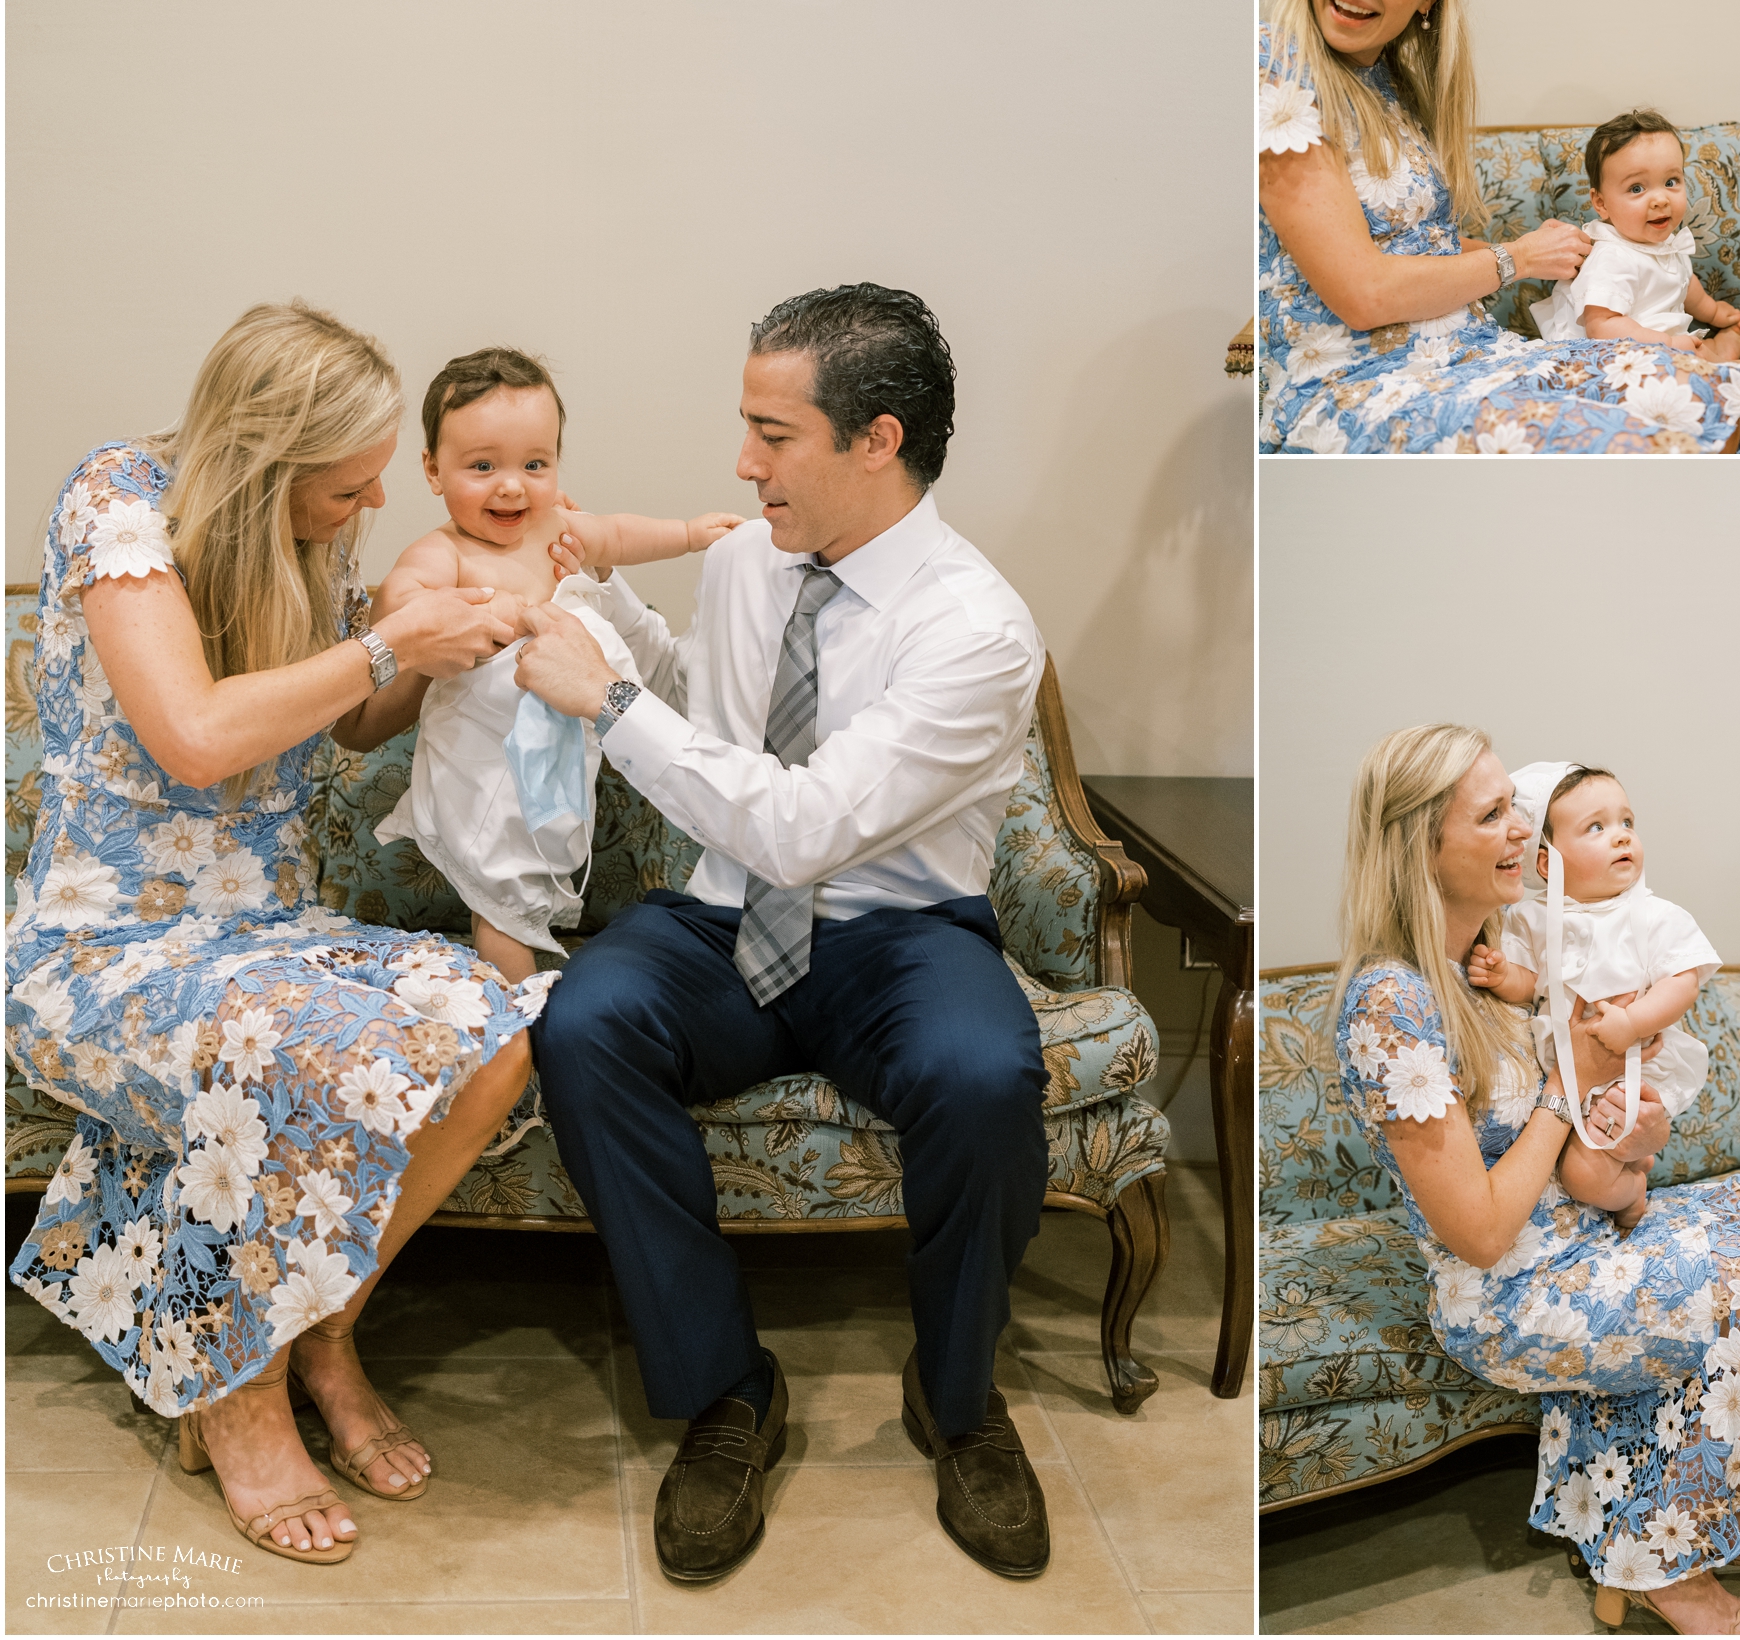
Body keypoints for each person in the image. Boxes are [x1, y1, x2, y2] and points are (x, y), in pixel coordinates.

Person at [513, 283, 1055, 1584]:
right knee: (582, 1023)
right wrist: (608, 607)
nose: (743, 461)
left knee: (988, 1073)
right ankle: (727, 1391)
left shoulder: (975, 630)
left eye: (773, 431)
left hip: (898, 934)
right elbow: (724, 707)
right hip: (720, 922)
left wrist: (611, 704)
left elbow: (807, 826)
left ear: (876, 437)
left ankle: (963, 1396)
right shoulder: (750, 558)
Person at [6, 302, 545, 1563]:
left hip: (268, 926)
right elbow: (193, 732)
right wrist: (385, 640)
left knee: (496, 1030)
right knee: (292, 1047)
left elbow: (350, 722)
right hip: (107, 946)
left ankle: (315, 1327)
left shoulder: (307, 546)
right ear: (268, 463)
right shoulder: (120, 501)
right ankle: (239, 1394)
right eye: (345, 488)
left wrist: (442, 651)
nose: (365, 509)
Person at [1334, 724, 1740, 1633]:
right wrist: (1570, 1090)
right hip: (1515, 1291)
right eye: (1493, 818)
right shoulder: (1393, 1001)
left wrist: (1635, 1135)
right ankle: (1662, 1557)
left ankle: (1735, 1510)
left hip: (1596, 1230)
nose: (1523, 834)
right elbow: (1477, 1233)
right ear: (1419, 847)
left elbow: (1615, 1130)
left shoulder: (1509, 956)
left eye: (1518, 813)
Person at [1257, 0, 1740, 454]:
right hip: (1360, 382)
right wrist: (1515, 258)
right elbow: (1364, 294)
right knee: (1642, 440)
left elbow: (1418, 247)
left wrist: (1544, 253)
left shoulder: (1394, 86)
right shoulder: (1276, 65)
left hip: (1468, 352)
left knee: (1701, 390)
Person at [371, 347, 743, 981]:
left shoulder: (556, 528)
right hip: (483, 758)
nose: (513, 484)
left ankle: (531, 972)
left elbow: (621, 534)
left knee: (542, 866)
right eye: (483, 465)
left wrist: (688, 533)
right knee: (503, 894)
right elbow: (402, 606)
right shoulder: (443, 552)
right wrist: (473, 609)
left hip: (556, 750)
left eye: (535, 463)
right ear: (433, 470)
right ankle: (518, 1001)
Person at [1466, 764, 1719, 1234]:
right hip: (1563, 1066)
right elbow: (1530, 983)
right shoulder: (1531, 917)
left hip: (1632, 1066)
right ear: (1547, 863)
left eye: (1627, 822)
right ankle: (1630, 1178)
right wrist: (1503, 976)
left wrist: (1633, 1022)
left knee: (1582, 1174)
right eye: (1596, 827)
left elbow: (1683, 982)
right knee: (1576, 1167)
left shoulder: (1654, 915)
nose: (1622, 837)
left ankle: (1630, 1193)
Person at [1529, 112, 1740, 365]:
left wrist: (1712, 311)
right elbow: (1601, 328)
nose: (1661, 200)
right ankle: (1725, 359)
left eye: (1671, 181)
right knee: (1739, 372)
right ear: (1601, 203)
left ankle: (1718, 352)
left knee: (1700, 358)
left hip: (1658, 343)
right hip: (1611, 355)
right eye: (1637, 188)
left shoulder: (1666, 242)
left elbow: (1683, 282)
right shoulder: (1612, 257)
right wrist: (1668, 343)